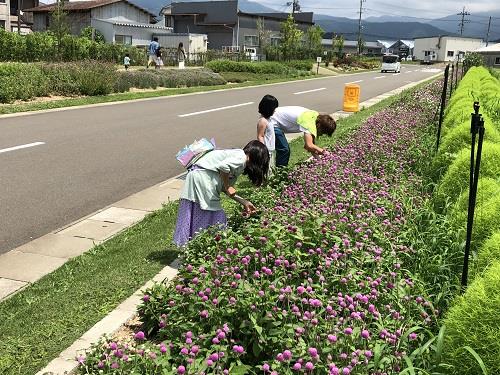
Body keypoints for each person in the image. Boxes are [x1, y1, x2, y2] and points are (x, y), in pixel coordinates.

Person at [173, 140, 270, 246]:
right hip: (203, 179)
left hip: (198, 178)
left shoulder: (236, 159)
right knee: (216, 216)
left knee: (198, 213)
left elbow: (226, 188)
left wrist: (244, 202)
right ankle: (206, 245)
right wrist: (228, 186)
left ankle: (197, 245)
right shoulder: (242, 158)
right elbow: (224, 169)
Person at [269, 106, 337, 167]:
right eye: (323, 132)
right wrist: (325, 152)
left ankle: (279, 171)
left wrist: (320, 161)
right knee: (284, 149)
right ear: (321, 127)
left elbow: (311, 146)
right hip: (272, 121)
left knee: (283, 149)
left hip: (274, 118)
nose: (321, 134)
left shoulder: (314, 117)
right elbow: (309, 145)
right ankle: (280, 173)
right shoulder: (309, 123)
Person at [257, 94, 279, 171]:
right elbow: (260, 136)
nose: (275, 110)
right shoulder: (263, 121)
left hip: (271, 149)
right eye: (274, 108)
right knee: (267, 170)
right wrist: (264, 151)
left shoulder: (269, 119)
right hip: (267, 150)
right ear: (268, 109)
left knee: (271, 169)